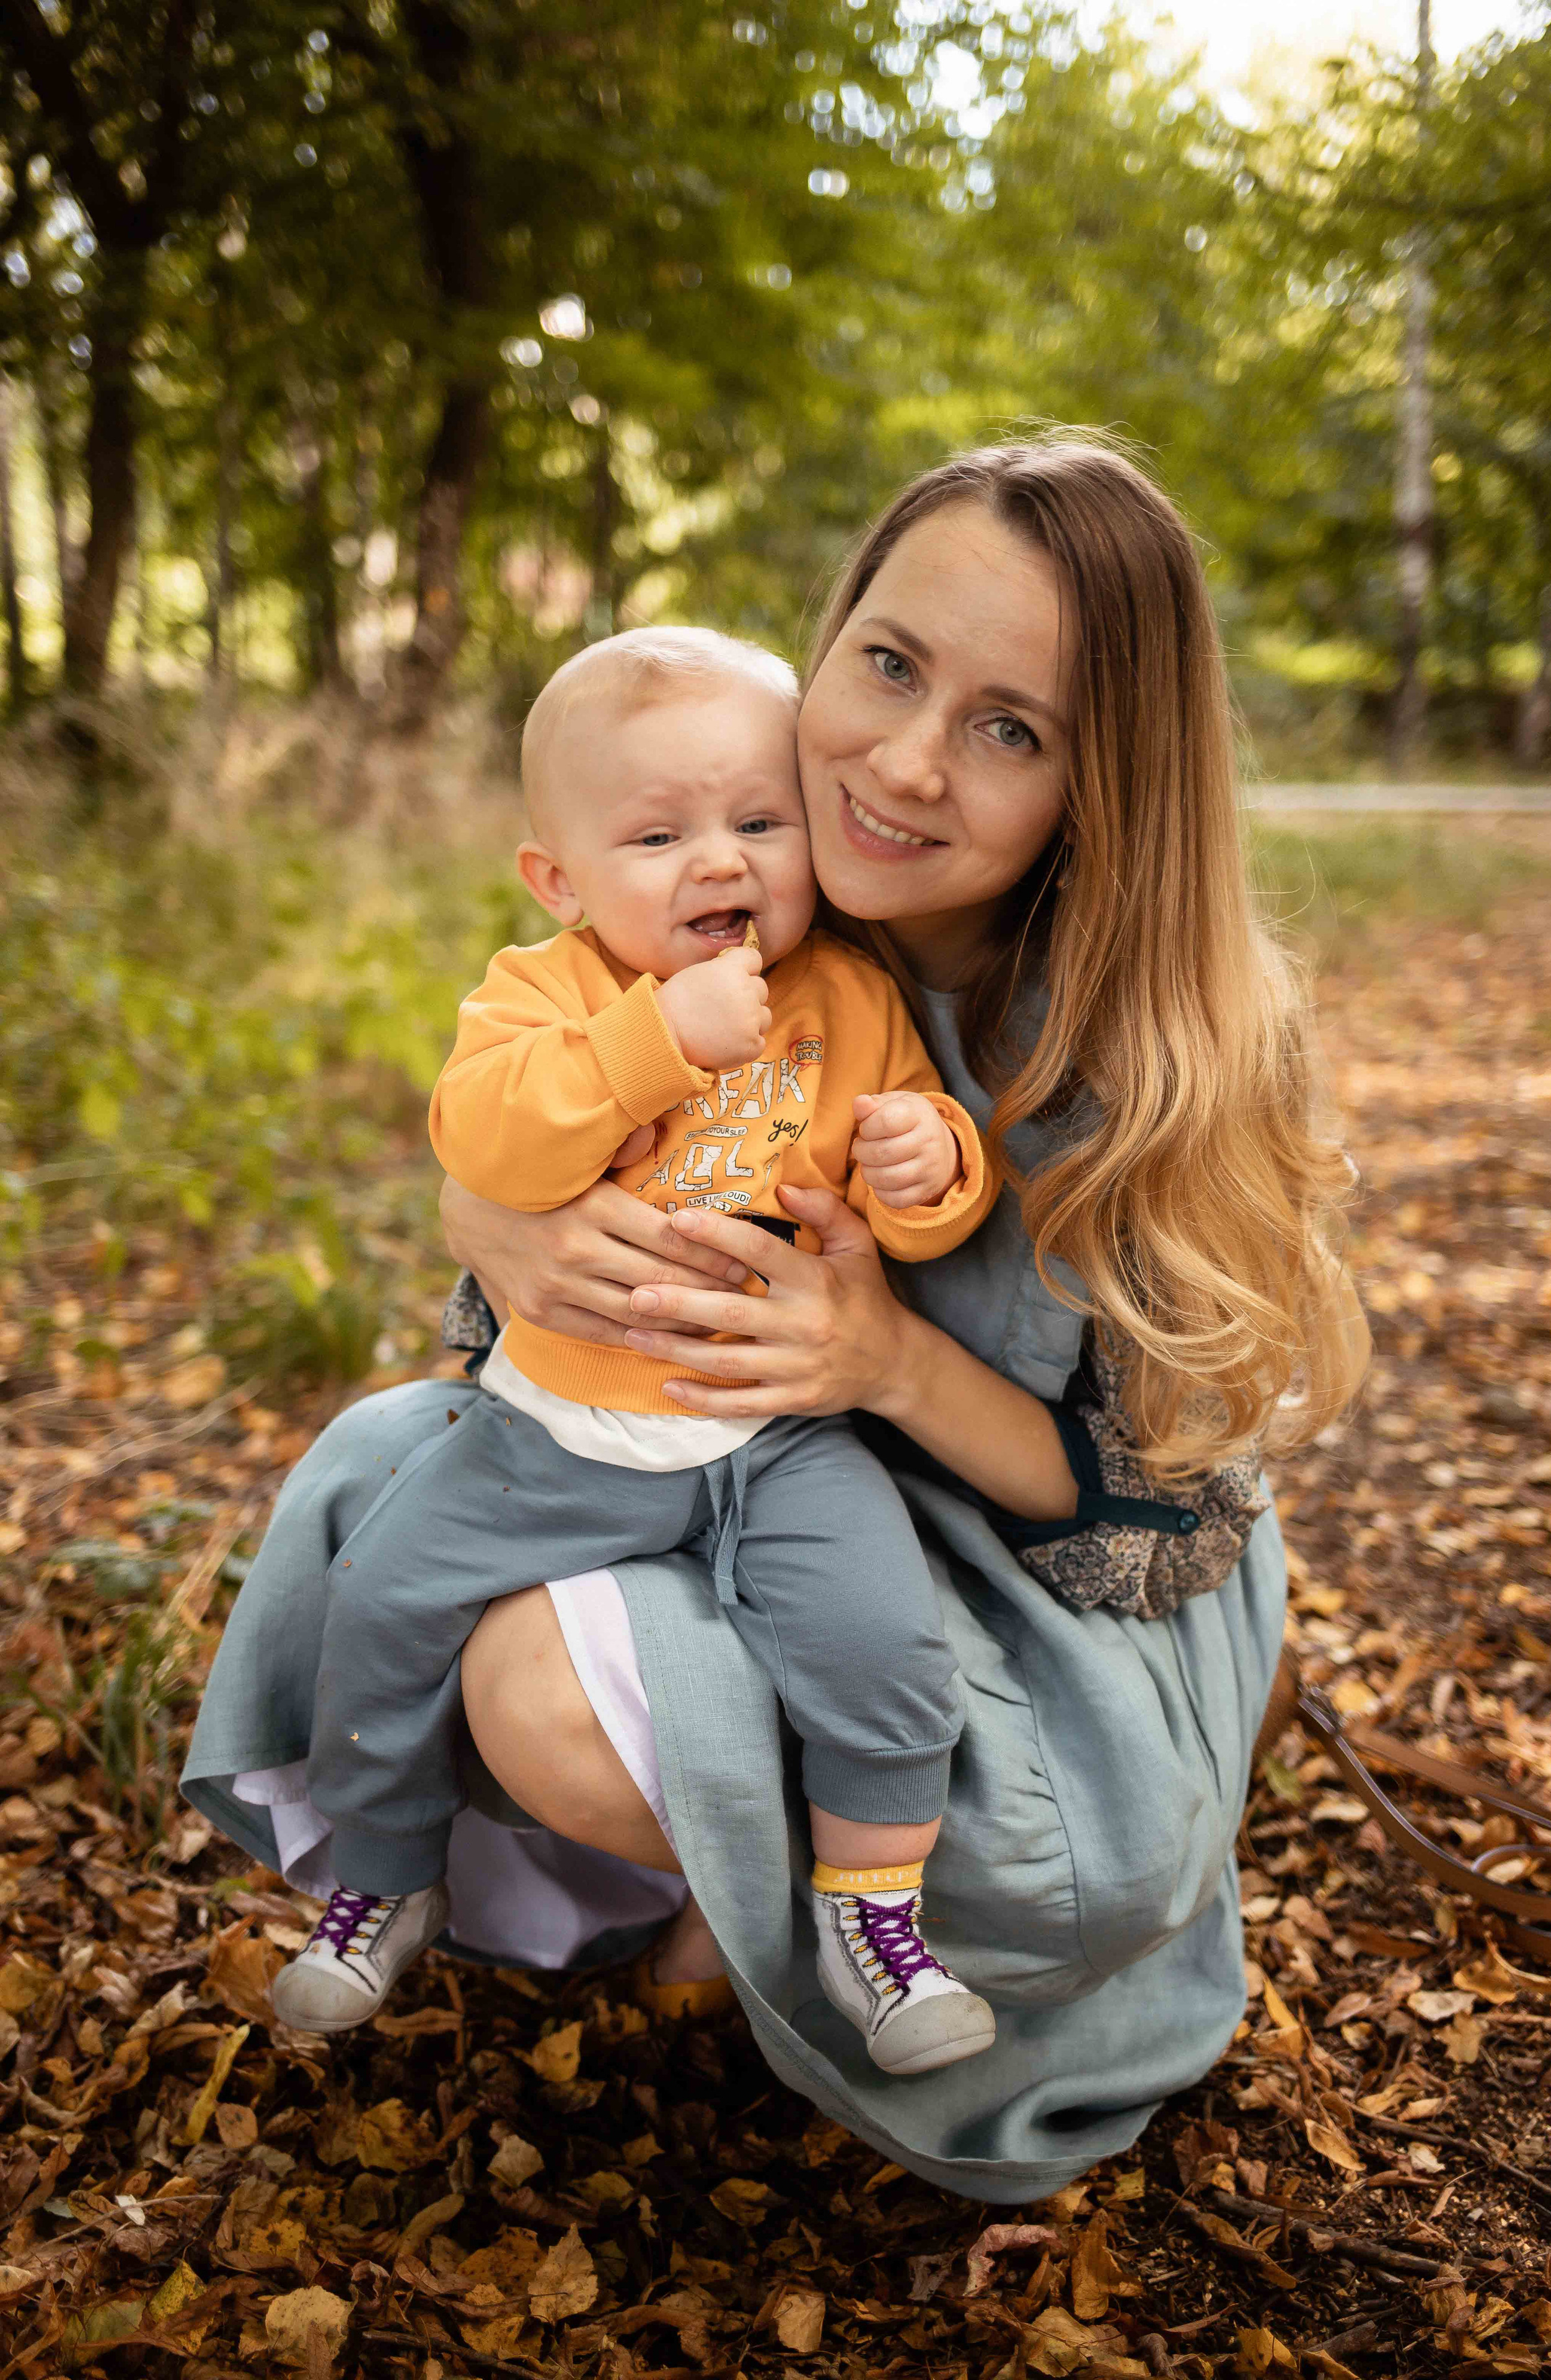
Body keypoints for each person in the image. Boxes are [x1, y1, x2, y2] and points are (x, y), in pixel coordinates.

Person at [184, 432, 1367, 2202]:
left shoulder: (1160, 1054)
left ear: (1101, 781)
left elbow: (1145, 1511)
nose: (901, 763)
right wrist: (490, 1212)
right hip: (725, 1468)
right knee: (398, 1476)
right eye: (890, 666)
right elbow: (547, 1123)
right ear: (828, 645)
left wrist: (884, 1356)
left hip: (1043, 1598)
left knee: (578, 1683)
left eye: (1011, 727)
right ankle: (524, 1864)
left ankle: (842, 1913)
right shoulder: (733, 894)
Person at [273, 625, 1003, 2076]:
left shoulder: (849, 998)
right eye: (658, 835)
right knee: (383, 1602)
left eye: (755, 822)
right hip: (557, 1432)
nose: (718, 863)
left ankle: (875, 1922)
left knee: (878, 1637)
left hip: (773, 1436)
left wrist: (934, 1166)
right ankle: (383, 1871)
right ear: (561, 879)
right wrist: (654, 1039)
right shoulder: (544, 993)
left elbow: (903, 1214)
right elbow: (481, 1138)